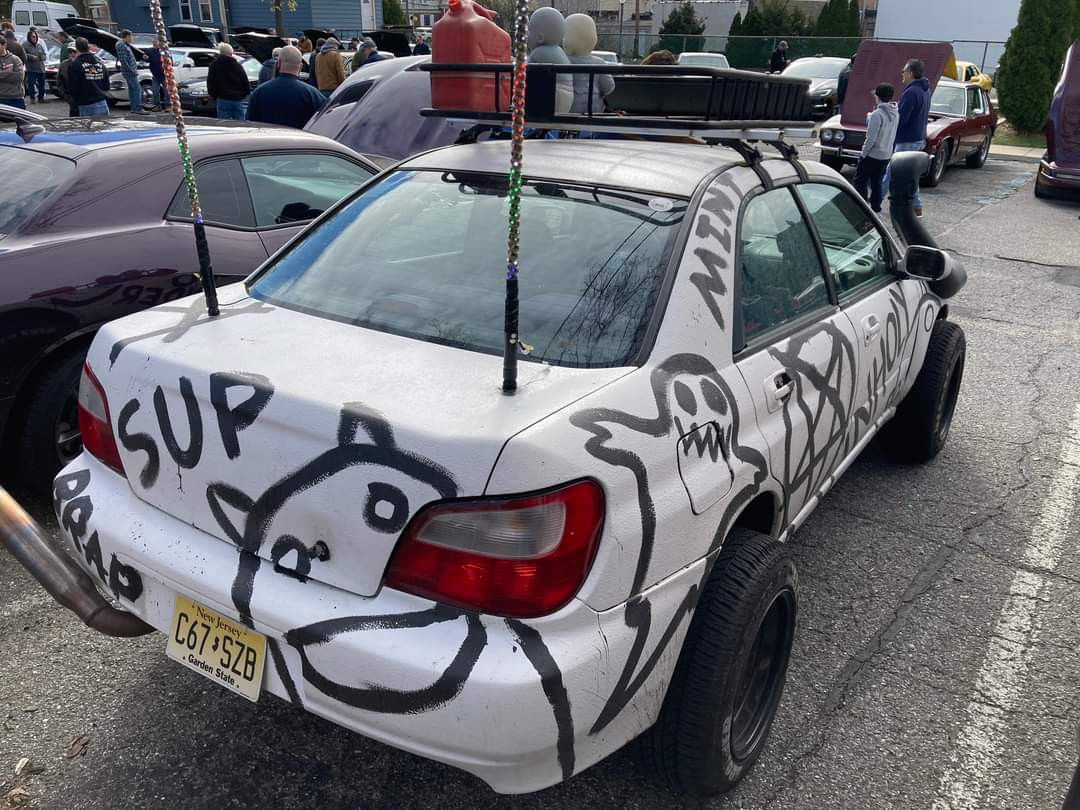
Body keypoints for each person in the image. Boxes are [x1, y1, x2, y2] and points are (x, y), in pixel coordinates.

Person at [886, 58, 932, 217]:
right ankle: (917, 207)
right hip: (918, 137)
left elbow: (902, 118)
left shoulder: (911, 92)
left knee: (891, 172)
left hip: (907, 139)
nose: (902, 73)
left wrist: (893, 113)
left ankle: (873, 203)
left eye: (904, 71)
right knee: (911, 175)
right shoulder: (925, 90)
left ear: (911, 73)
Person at [246, 45, 326, 128]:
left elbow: (250, 124)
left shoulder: (259, 92)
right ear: (301, 67)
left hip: (267, 136)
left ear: (278, 63)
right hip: (300, 136)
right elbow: (323, 123)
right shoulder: (312, 94)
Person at [853, 82, 898, 214]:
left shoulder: (877, 114)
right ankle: (875, 208)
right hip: (886, 154)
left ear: (878, 96)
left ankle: (862, 208)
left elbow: (871, 138)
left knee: (860, 180)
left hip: (873, 154)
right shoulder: (896, 113)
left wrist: (863, 153)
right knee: (877, 182)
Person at [206, 42, 250, 119]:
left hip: (222, 98)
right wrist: (243, 94)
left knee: (223, 123)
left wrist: (214, 96)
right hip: (237, 99)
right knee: (240, 122)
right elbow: (245, 81)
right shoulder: (237, 65)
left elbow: (210, 83)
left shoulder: (214, 65)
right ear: (230, 53)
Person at [68, 37, 110, 116]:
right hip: (102, 103)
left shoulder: (74, 66)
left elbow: (73, 88)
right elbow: (106, 86)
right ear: (88, 47)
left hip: (86, 104)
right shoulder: (100, 65)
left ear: (77, 48)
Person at [115, 30, 144, 113]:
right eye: (131, 36)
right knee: (137, 89)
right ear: (127, 36)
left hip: (129, 71)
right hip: (130, 72)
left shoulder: (124, 44)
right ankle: (138, 108)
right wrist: (132, 70)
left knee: (132, 89)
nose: (132, 38)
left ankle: (134, 108)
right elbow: (123, 60)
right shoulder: (121, 45)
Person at [0, 35, 25, 108]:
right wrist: (9, 72)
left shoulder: (15, 60)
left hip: (16, 98)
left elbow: (19, 76)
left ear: (4, 45)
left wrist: (2, 74)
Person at [22, 29, 45, 103]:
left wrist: (43, 57)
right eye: (33, 37)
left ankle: (41, 98)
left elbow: (44, 54)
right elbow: (23, 54)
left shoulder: (39, 45)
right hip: (31, 69)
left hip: (40, 68)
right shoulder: (25, 45)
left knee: (42, 84)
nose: (35, 38)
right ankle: (32, 98)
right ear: (29, 37)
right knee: (31, 84)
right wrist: (32, 57)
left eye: (35, 37)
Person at [146, 37, 168, 110]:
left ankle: (168, 105)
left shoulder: (164, 51)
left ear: (160, 43)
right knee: (155, 91)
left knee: (166, 91)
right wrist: (144, 57)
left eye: (156, 42)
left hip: (164, 74)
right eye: (153, 42)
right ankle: (157, 106)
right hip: (155, 74)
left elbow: (170, 61)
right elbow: (145, 58)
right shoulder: (150, 51)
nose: (154, 43)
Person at [58, 44, 78, 115]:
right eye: (70, 51)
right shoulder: (64, 65)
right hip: (71, 100)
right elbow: (60, 81)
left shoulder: (82, 63)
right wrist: (65, 96)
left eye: (74, 51)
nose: (72, 54)